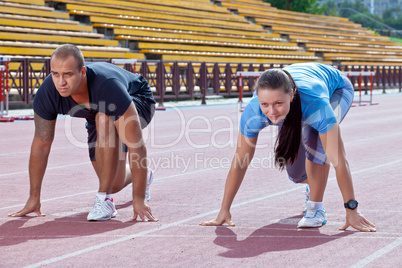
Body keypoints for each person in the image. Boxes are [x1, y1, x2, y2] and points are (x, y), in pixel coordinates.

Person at [200, 62, 376, 231]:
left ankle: (316, 209)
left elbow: (339, 161)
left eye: (278, 103)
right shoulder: (252, 113)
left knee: (314, 138)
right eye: (265, 105)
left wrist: (351, 209)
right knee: (296, 174)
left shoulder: (316, 106)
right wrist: (224, 209)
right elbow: (240, 161)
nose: (272, 112)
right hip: (300, 95)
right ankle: (313, 185)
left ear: (291, 95)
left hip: (337, 89)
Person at [8, 44, 158, 222]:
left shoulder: (108, 87)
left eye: (68, 74)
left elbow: (136, 145)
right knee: (114, 182)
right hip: (97, 113)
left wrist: (139, 198)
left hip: (137, 97)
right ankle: (142, 175)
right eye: (55, 74)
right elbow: (41, 145)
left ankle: (104, 200)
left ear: (83, 72)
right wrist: (34, 197)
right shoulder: (47, 94)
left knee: (104, 117)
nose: (61, 82)